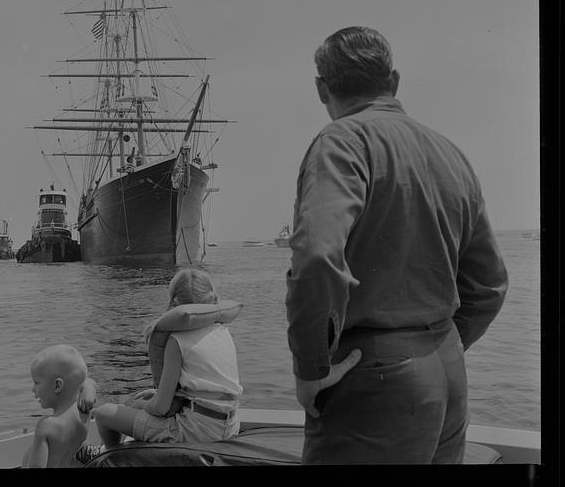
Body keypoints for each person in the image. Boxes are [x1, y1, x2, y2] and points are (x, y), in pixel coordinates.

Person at [285, 27, 508, 464]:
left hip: (373, 377)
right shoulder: (449, 152)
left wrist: (311, 369)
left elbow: (316, 258)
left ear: (321, 89)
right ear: (394, 81)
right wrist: (436, 346)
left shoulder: (341, 143)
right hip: (446, 371)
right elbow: (490, 286)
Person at [92, 268, 243, 448]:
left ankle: (107, 457)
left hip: (195, 431)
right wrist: (158, 395)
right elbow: (202, 388)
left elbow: (161, 408)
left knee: (104, 413)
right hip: (230, 425)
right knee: (142, 401)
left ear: (174, 303)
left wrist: (141, 405)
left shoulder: (175, 340)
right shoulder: (223, 331)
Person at [21, 345, 98, 468]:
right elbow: (89, 381)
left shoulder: (47, 426)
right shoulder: (84, 412)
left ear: (57, 386)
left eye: (36, 382)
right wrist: (89, 387)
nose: (33, 389)